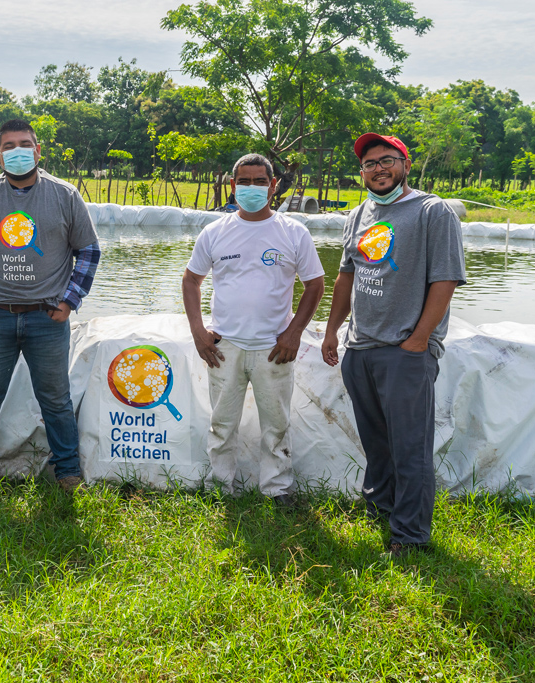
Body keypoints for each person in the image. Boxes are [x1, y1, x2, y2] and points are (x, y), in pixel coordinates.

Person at [320, 133, 466, 554]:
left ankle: (410, 535)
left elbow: (446, 279)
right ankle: (380, 508)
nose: (378, 169)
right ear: (362, 172)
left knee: (409, 446)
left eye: (386, 160)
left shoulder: (431, 211)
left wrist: (419, 340)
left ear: (404, 164)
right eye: (369, 164)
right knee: (376, 442)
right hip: (360, 348)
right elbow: (346, 275)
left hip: (405, 350)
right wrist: (333, 331)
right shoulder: (359, 214)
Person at [0, 119, 100, 492]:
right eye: (10, 146)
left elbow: (89, 250)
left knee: (56, 399)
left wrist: (70, 300)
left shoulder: (64, 196)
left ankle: (67, 472)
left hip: (47, 318)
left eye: (25, 144)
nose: (18, 152)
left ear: (38, 150)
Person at [183, 154, 326, 500]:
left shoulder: (293, 232)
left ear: (273, 186)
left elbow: (316, 284)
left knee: (276, 425)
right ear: (232, 186)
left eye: (259, 181)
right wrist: (198, 332)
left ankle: (277, 489)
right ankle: (221, 488)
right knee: (222, 424)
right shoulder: (215, 232)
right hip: (224, 347)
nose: (251, 188)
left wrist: (294, 333)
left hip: (273, 348)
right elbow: (191, 282)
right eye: (243, 182)